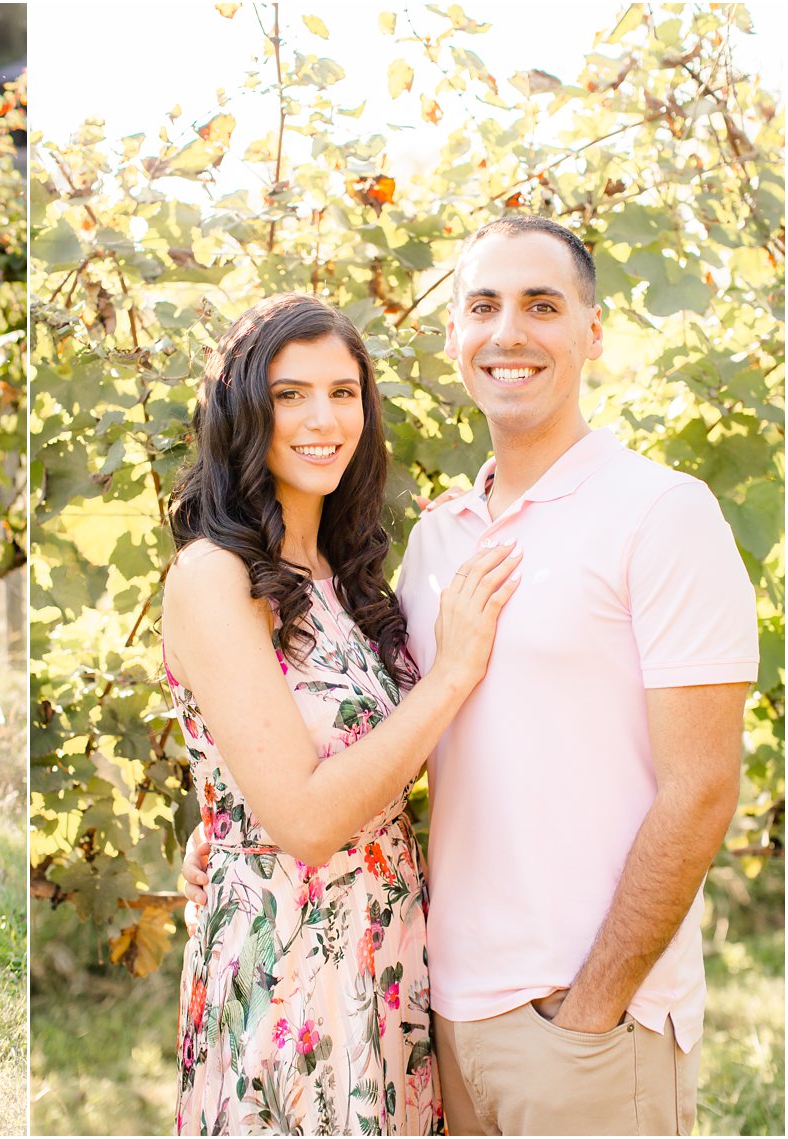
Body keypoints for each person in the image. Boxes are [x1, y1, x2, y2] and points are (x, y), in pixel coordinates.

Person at [184, 217, 759, 1134]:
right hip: (425, 1006)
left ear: (594, 333)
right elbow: (360, 734)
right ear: (453, 336)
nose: (509, 333)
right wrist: (231, 817)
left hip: (581, 1019)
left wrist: (591, 1009)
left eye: (542, 305)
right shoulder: (438, 539)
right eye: (484, 305)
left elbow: (702, 790)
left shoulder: (662, 515)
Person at [161, 292, 521, 1135]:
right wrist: (456, 668)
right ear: (245, 410)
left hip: (388, 955)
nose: (324, 417)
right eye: (291, 394)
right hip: (290, 969)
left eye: (344, 391)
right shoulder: (214, 575)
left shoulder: (346, 574)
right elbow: (309, 820)